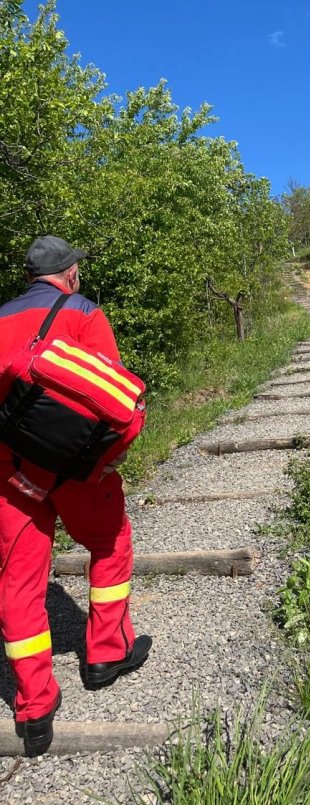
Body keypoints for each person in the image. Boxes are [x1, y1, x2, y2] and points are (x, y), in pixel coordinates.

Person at [0, 236, 151, 757]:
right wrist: (107, 461)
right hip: (76, 469)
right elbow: (113, 401)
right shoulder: (84, 313)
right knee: (110, 544)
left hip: (10, 474)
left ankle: (33, 707)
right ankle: (106, 653)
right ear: (69, 274)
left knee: (19, 580)